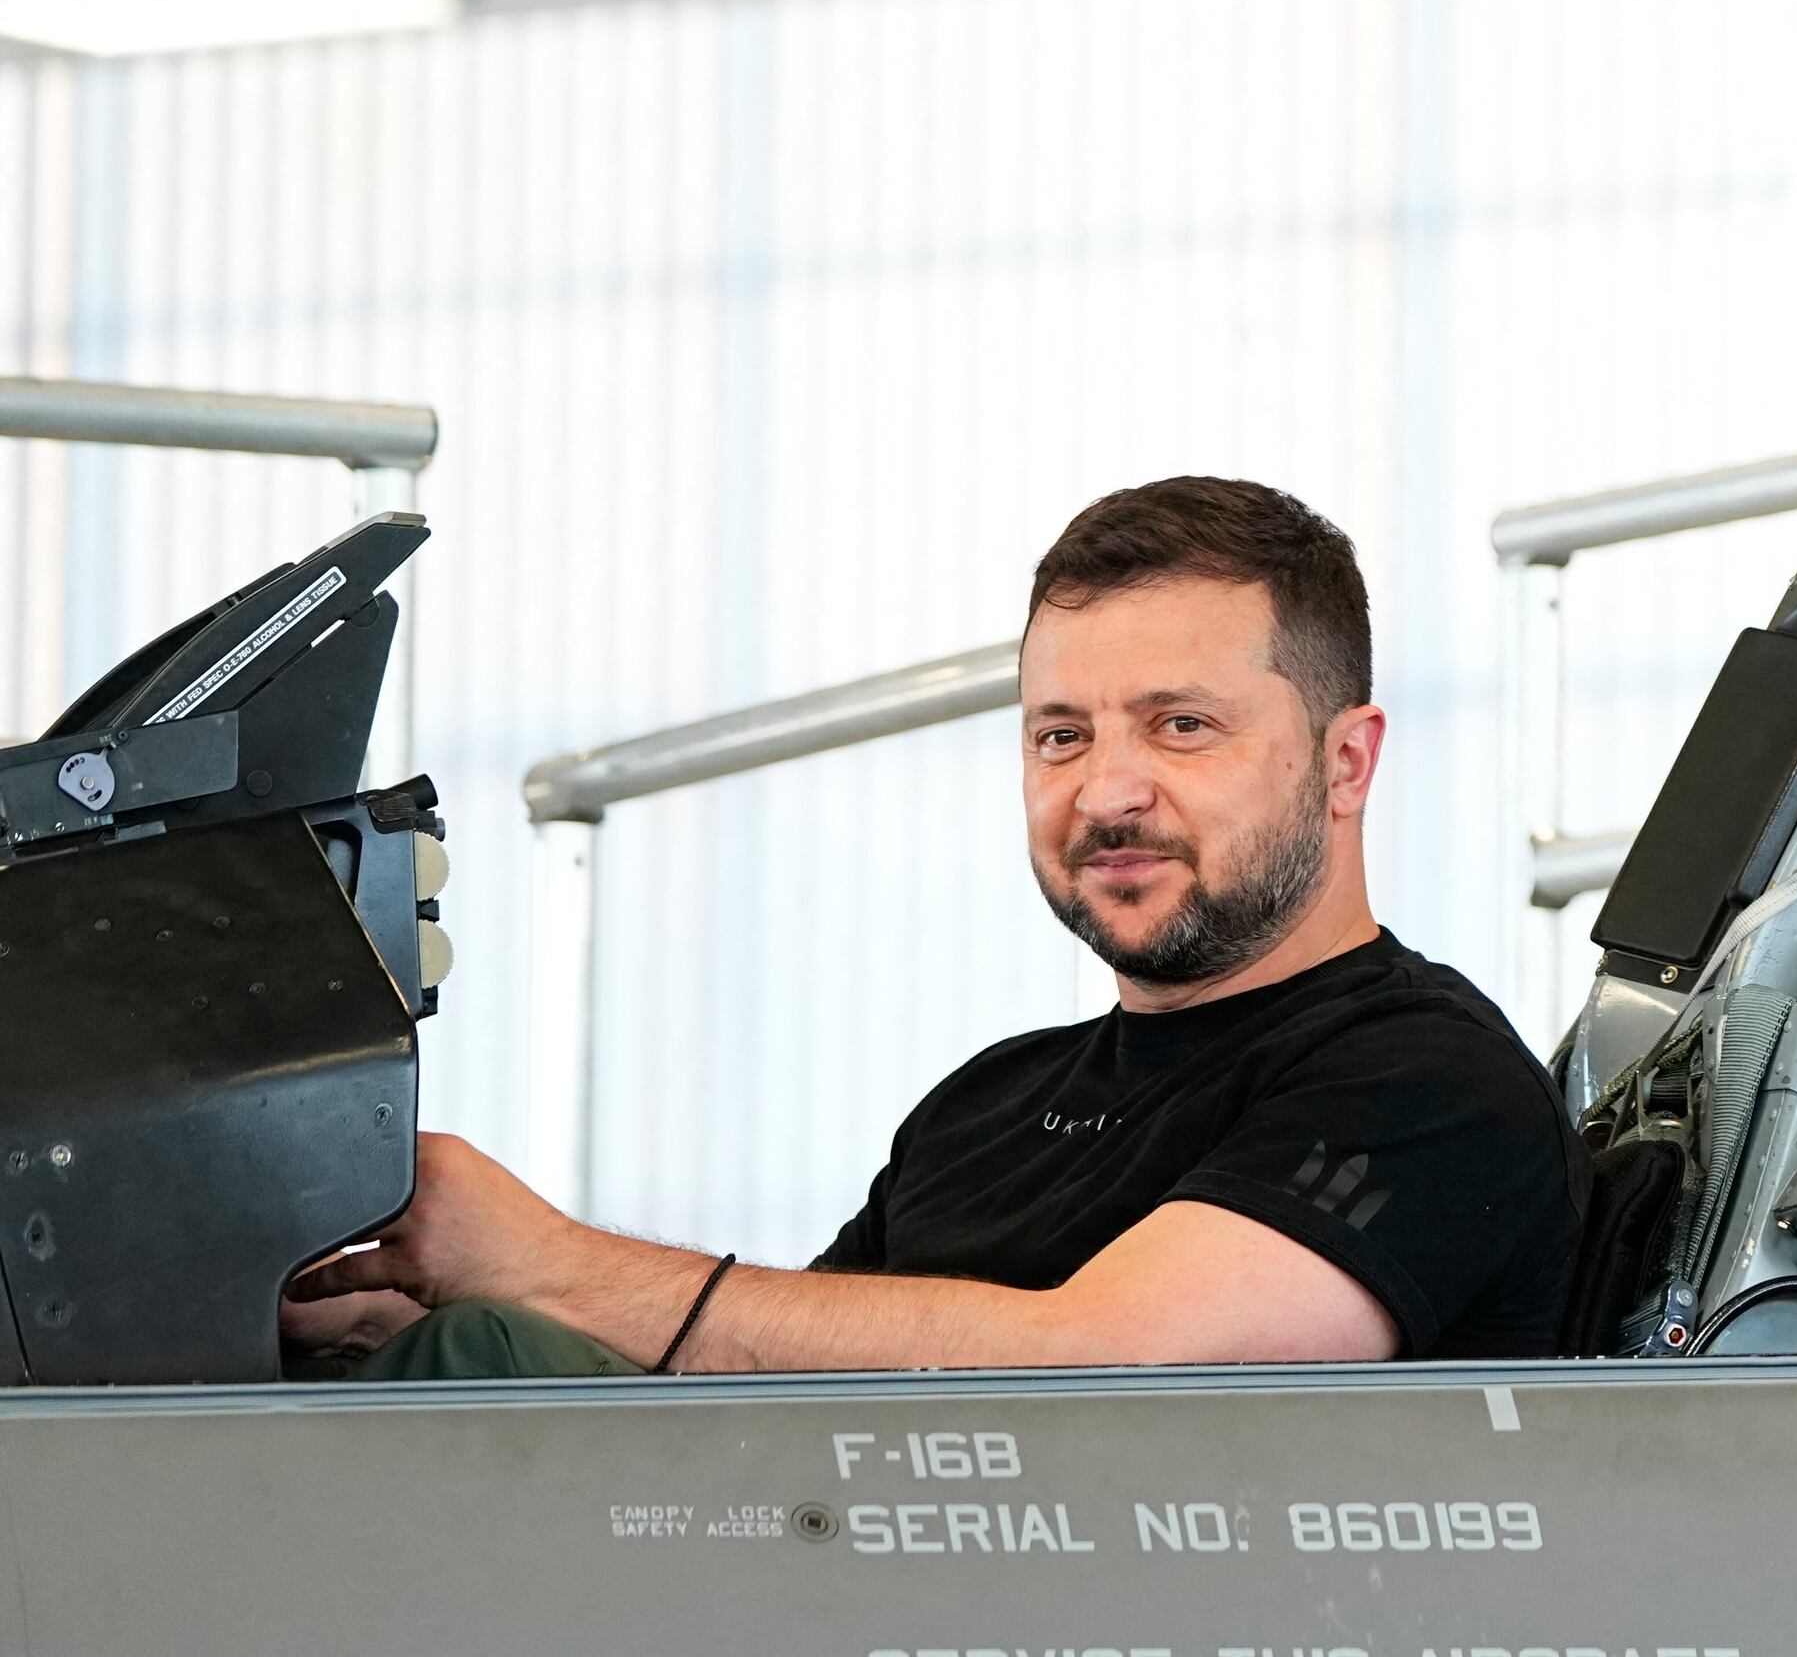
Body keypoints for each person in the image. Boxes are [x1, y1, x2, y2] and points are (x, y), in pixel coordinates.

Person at [288, 477, 1578, 1375]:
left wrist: (552, 1268)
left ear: (1346, 763)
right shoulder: (989, 1105)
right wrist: (409, 1312)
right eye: (1060, 736)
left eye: (1181, 726)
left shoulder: (1426, 1082)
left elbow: (1117, 1367)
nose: (1107, 792)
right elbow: (763, 1377)